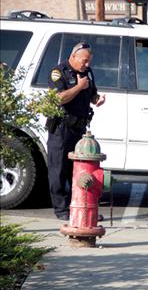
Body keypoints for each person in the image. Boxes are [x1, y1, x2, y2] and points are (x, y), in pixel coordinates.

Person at [46, 42, 106, 221]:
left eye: (89, 61)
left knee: (78, 170)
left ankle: (79, 206)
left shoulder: (87, 73)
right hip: (61, 128)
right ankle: (61, 209)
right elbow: (58, 99)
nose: (87, 64)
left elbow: (91, 94)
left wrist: (97, 99)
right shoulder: (58, 72)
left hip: (79, 127)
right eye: (84, 61)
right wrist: (79, 87)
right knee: (59, 169)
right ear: (73, 57)